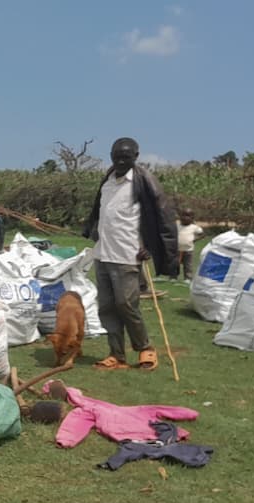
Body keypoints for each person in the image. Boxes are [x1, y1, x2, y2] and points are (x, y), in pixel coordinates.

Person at [81, 137, 178, 371]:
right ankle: (116, 355)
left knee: (126, 304)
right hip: (103, 253)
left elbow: (162, 216)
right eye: (116, 156)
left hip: (127, 254)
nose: (120, 161)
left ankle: (145, 348)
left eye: (126, 157)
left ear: (136, 156)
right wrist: (93, 229)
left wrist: (151, 246)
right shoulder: (108, 181)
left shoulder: (143, 181)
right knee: (106, 307)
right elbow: (100, 211)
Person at [177, 208, 203, 282]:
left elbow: (202, 234)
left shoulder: (194, 227)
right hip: (177, 249)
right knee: (175, 264)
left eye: (188, 216)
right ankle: (173, 277)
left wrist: (194, 240)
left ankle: (188, 278)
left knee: (188, 265)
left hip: (188, 250)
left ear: (192, 218)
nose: (185, 217)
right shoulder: (177, 226)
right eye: (183, 215)